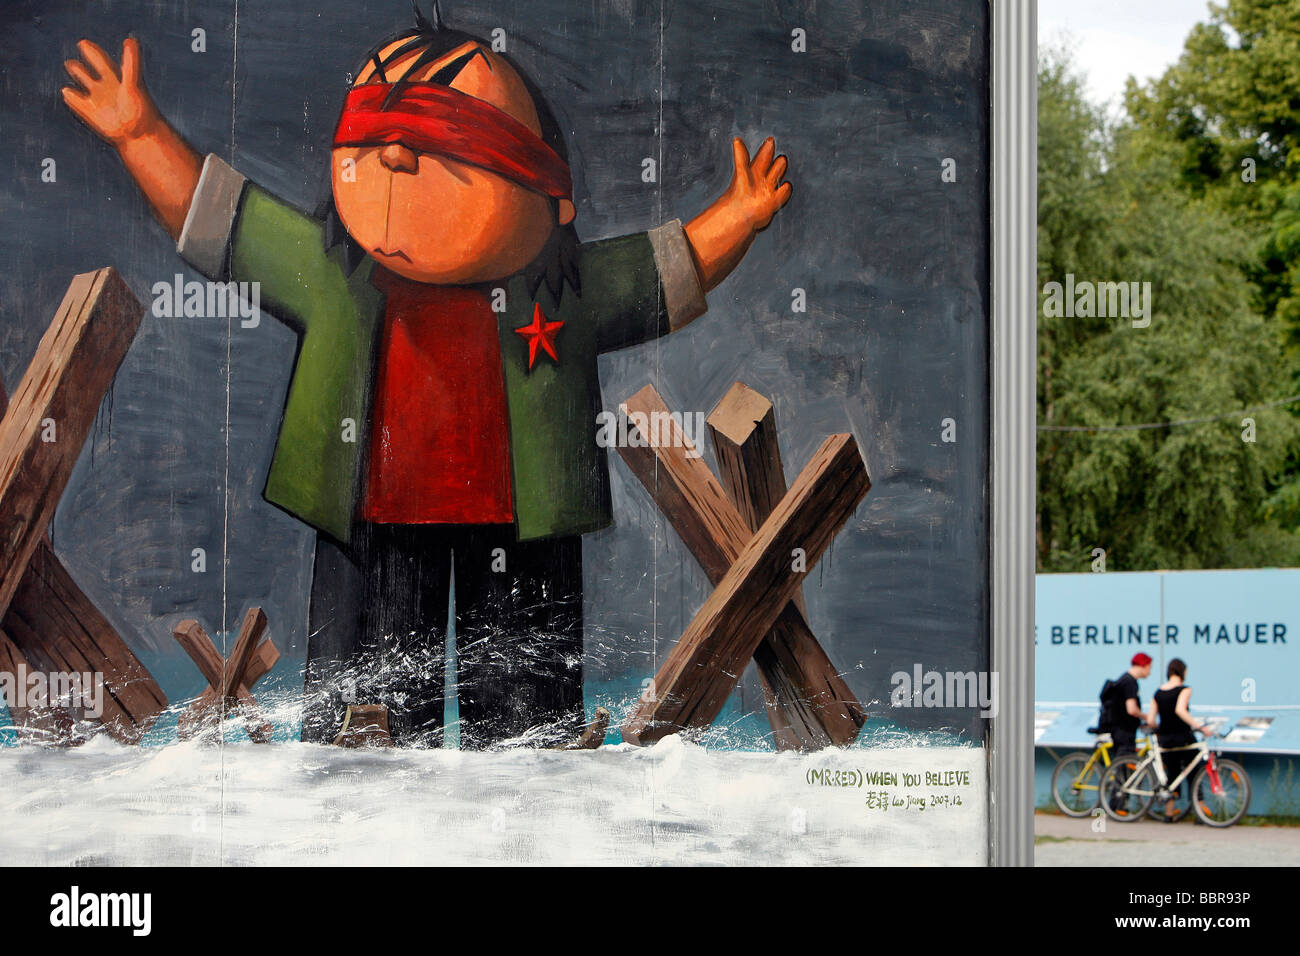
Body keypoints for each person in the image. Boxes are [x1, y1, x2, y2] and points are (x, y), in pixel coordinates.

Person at [60, 6, 792, 748]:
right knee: (366, 728)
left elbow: (667, 274)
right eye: (376, 132)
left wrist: (738, 216)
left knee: (524, 731)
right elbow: (225, 224)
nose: (400, 157)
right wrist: (142, 135)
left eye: (453, 135)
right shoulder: (332, 275)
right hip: (371, 527)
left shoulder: (566, 296)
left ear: (554, 200)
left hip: (525, 526)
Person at [1147, 657, 1215, 820]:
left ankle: (1169, 813)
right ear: (1182, 671)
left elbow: (1150, 720)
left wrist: (1160, 730)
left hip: (1165, 739)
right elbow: (1180, 710)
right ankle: (1200, 811)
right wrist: (1199, 727)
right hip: (1183, 737)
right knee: (1193, 772)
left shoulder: (1158, 692)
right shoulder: (1184, 690)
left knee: (1173, 773)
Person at [1109, 652, 1154, 755]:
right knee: (1125, 761)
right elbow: (1131, 709)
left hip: (1119, 729)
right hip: (1124, 731)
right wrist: (1146, 717)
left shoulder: (1124, 679)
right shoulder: (1130, 682)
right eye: (1149, 668)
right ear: (1142, 665)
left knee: (1124, 763)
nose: (1149, 672)